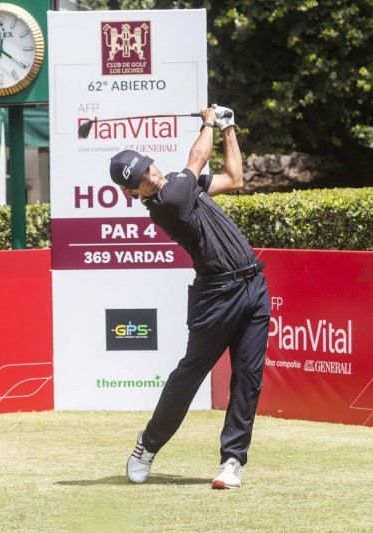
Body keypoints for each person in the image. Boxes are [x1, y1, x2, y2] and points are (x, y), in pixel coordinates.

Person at [108, 106, 270, 490]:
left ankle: (232, 461)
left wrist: (229, 127)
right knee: (189, 376)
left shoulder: (183, 187)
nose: (151, 177)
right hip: (216, 297)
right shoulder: (168, 201)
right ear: (132, 193)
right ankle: (147, 446)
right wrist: (209, 120)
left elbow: (235, 178)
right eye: (141, 180)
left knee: (248, 377)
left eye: (148, 168)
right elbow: (197, 157)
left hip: (253, 287)